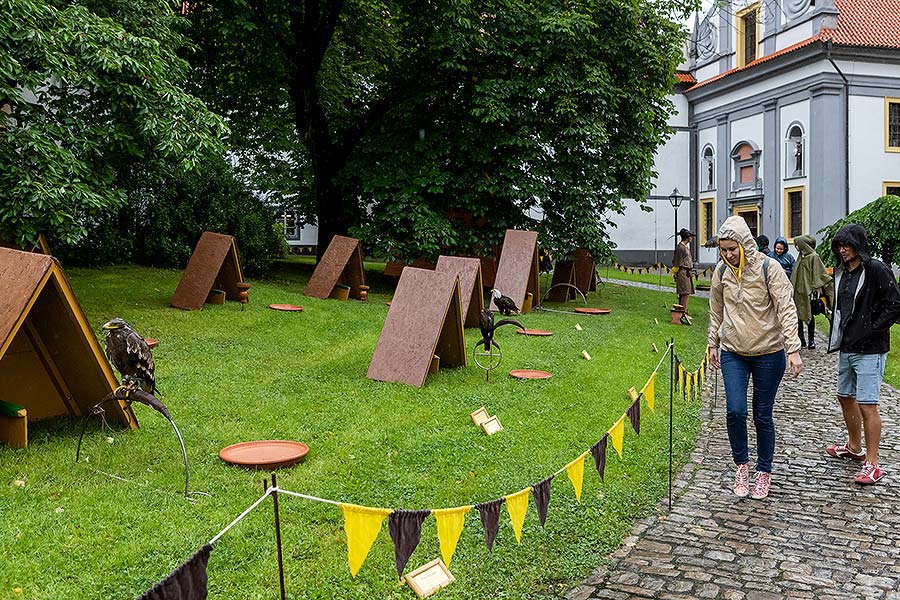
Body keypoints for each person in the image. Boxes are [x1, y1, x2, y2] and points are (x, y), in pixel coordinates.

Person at [708, 216, 803, 500]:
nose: (728, 254)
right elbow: (716, 310)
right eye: (723, 250)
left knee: (762, 414)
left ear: (744, 244)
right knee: (735, 411)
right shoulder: (721, 272)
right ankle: (742, 465)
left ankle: (764, 470)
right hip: (733, 352)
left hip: (768, 353)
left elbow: (786, 307)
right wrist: (713, 342)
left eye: (732, 248)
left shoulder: (768, 268)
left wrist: (793, 348)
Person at [825, 224, 900, 485]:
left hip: (870, 349)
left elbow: (895, 305)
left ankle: (873, 463)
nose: (842, 249)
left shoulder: (876, 269)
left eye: (846, 245)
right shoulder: (843, 272)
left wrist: (871, 329)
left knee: (868, 404)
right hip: (848, 347)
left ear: (858, 244)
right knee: (845, 396)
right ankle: (854, 448)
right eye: (839, 246)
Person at [791, 235, 833, 350]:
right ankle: (801, 339)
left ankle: (811, 340)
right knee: (798, 315)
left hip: (811, 292)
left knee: (809, 314)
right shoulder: (801, 257)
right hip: (798, 292)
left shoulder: (814, 257)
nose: (796, 247)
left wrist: (819, 286)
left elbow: (820, 274)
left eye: (797, 245)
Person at [672, 228, 695, 324]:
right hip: (682, 272)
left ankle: (683, 312)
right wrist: (676, 273)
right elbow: (676, 262)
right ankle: (682, 313)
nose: (692, 238)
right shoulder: (680, 248)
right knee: (684, 293)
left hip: (687, 272)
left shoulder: (685, 247)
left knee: (686, 293)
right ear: (687, 237)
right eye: (690, 236)